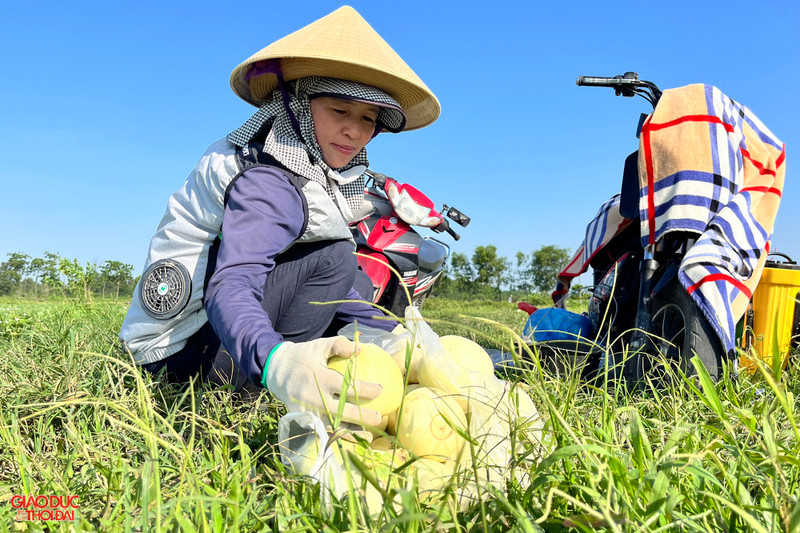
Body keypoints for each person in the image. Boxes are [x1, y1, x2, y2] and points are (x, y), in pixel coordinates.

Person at [119, 6, 440, 428]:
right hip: (177, 354)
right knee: (335, 256)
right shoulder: (269, 178)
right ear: (299, 109)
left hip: (190, 343)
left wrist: (397, 340)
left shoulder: (304, 166)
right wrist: (278, 362)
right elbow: (232, 281)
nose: (355, 132)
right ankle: (249, 391)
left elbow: (347, 291)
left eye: (368, 119)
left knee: (340, 261)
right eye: (340, 111)